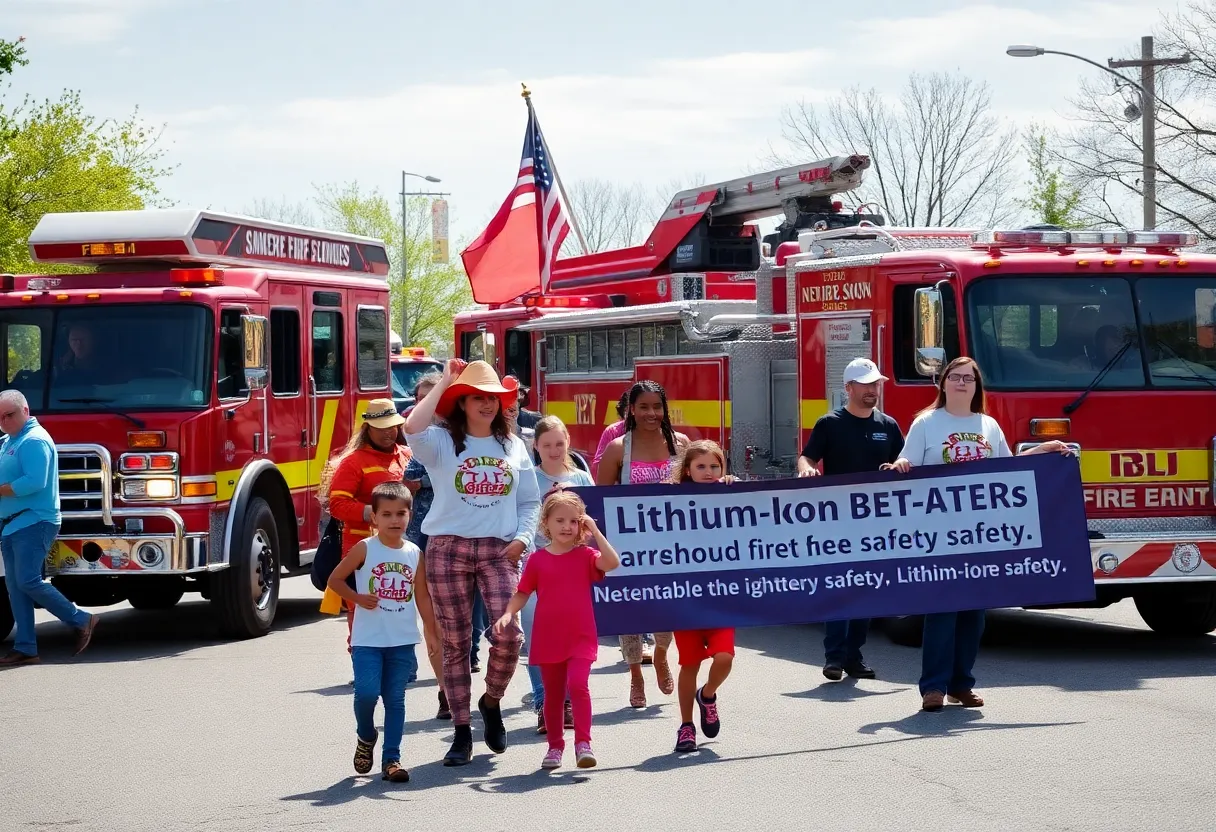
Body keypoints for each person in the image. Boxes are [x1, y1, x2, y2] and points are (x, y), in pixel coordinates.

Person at [888, 356, 1073, 712]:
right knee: (942, 611)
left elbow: (1005, 469)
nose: (962, 383)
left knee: (974, 615)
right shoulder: (926, 423)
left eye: (969, 378)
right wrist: (900, 466)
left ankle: (961, 684)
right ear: (942, 383)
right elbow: (905, 465)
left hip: (980, 536)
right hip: (938, 537)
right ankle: (934, 687)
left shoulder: (988, 425)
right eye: (955, 377)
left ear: (976, 386)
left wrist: (1044, 451)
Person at [403, 359, 540, 766]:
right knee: (456, 643)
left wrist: (523, 538)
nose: (487, 405)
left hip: (500, 551)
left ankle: (491, 701)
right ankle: (461, 731)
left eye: (493, 398)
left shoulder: (513, 445)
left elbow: (530, 500)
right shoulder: (442, 442)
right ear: (460, 403)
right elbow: (412, 427)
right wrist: (446, 381)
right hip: (447, 548)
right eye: (477, 398)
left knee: (509, 636)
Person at [494, 489, 620, 769]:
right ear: (546, 523)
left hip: (580, 635)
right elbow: (523, 592)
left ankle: (583, 744)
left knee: (577, 684)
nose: (567, 526)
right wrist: (508, 614)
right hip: (548, 636)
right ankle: (554, 747)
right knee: (552, 695)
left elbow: (612, 562)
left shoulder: (587, 555)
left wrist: (595, 530)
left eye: (574, 521)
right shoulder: (537, 560)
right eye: (560, 520)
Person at [796, 357, 904, 682]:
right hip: (837, 523)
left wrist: (900, 467)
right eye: (866, 384)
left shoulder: (888, 426)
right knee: (840, 588)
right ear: (849, 388)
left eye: (876, 384)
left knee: (865, 591)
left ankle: (854, 656)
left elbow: (905, 462)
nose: (873, 390)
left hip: (876, 524)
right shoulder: (829, 423)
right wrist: (806, 470)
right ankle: (834, 657)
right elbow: (807, 456)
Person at [326, 482, 436, 783]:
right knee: (365, 694)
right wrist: (358, 598)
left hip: (402, 640)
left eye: (401, 513)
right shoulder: (365, 549)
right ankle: (366, 735)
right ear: (373, 517)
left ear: (410, 516)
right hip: (367, 640)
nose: (394, 520)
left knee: (395, 699)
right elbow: (335, 579)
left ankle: (392, 760)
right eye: (386, 514)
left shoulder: (415, 553)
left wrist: (432, 633)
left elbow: (423, 596)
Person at [596, 380, 690, 708]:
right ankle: (636, 674)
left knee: (668, 605)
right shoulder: (618, 448)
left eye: (657, 407)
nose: (651, 413)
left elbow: (698, 492)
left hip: (671, 546)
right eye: (644, 407)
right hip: (628, 546)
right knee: (630, 612)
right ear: (631, 410)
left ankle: (662, 653)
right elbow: (600, 498)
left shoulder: (681, 444)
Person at [0, 390, 97, 666]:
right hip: (13, 524)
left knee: (28, 580)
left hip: (35, 520)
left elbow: (35, 481)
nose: (4, 421)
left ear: (25, 411)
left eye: (9, 415)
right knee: (16, 586)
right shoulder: (10, 440)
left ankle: (82, 619)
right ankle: (26, 647)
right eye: (0, 417)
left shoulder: (34, 440)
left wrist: (1, 490)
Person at [318, 399, 413, 650]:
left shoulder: (406, 455)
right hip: (361, 546)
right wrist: (377, 513)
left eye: (392, 426)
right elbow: (337, 506)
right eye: (381, 427)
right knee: (362, 608)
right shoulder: (353, 461)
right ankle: (362, 660)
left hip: (400, 546)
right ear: (367, 429)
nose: (388, 432)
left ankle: (400, 660)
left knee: (399, 604)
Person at [668, 440, 738, 754]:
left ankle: (707, 696)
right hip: (685, 600)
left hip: (722, 598)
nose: (709, 472)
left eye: (715, 466)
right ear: (687, 470)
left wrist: (733, 490)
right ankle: (686, 726)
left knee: (724, 657)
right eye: (701, 466)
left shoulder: (730, 494)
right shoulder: (671, 500)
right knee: (690, 663)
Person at [526, 415, 594, 734]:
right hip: (536, 566)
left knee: (570, 640)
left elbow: (596, 520)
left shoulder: (581, 479)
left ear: (568, 442)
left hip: (574, 574)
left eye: (559, 443)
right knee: (537, 637)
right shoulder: (528, 478)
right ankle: (543, 701)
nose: (554, 450)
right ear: (536, 447)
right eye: (547, 444)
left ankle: (565, 699)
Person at [402, 372, 451, 721]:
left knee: (467, 625)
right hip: (424, 537)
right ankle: (445, 690)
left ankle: (480, 689)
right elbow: (409, 480)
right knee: (433, 622)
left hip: (473, 540)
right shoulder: (424, 441)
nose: (427, 404)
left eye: (432, 397)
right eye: (421, 397)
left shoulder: (472, 436)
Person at [592, 391, 630, 472]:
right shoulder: (613, 432)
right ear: (623, 412)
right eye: (629, 410)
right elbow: (598, 466)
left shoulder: (660, 434)